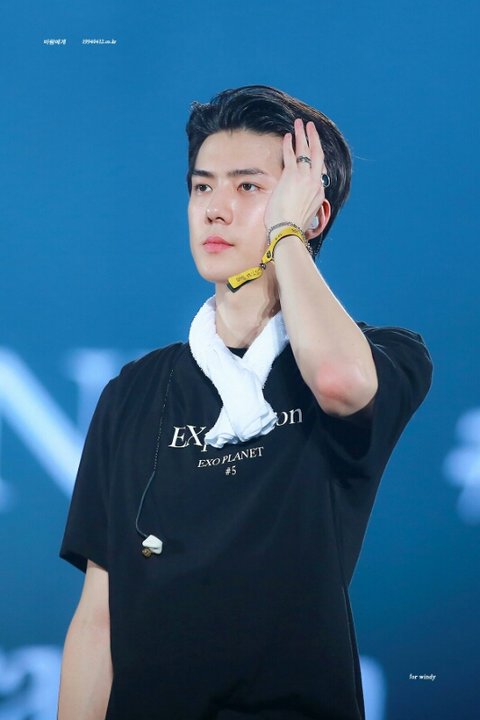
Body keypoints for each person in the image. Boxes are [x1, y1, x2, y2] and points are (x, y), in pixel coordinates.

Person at [58, 85, 432, 720]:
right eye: (202, 187)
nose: (215, 209)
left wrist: (286, 233)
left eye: (249, 187)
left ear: (314, 213)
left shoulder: (383, 354)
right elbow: (99, 618)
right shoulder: (133, 391)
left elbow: (338, 381)